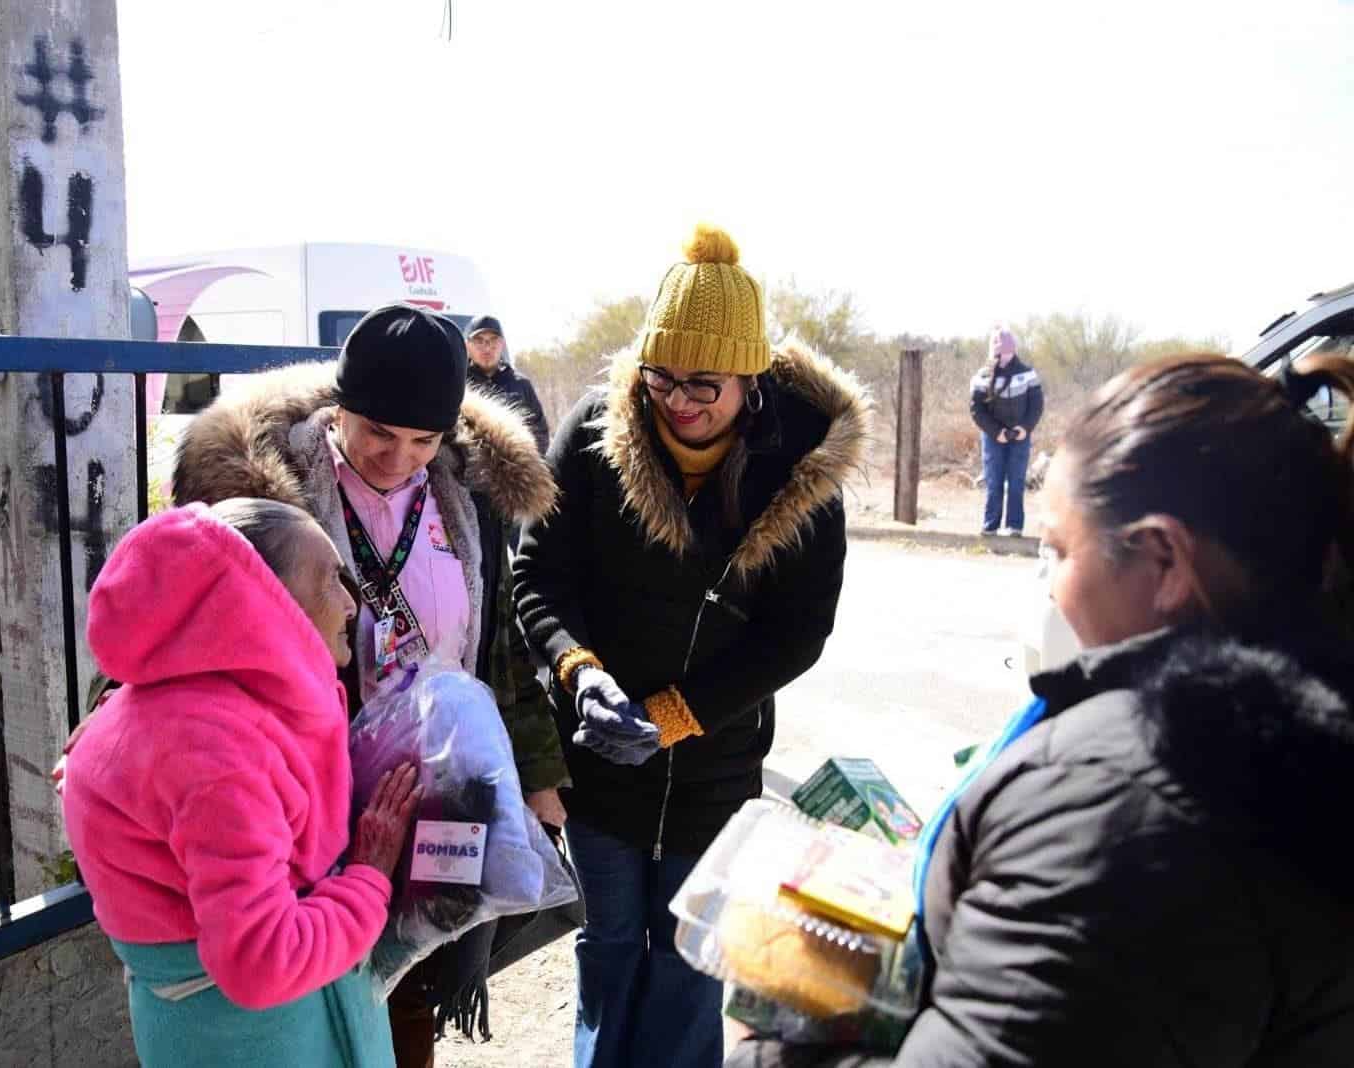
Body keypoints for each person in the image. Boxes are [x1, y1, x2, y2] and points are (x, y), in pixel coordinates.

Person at [728, 352, 1354, 1067]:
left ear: (1164, 562)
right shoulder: (1301, 726)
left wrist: (763, 1044)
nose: (1051, 589)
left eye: (1058, 551)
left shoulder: (1119, 807)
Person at [512, 224, 870, 1068]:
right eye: (661, 377)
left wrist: (675, 717)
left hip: (714, 769)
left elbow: (797, 635)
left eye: (703, 383)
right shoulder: (596, 435)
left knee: (687, 957)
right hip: (600, 765)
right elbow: (540, 578)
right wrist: (579, 671)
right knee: (607, 950)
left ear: (750, 376)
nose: (679, 399)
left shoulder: (802, 471)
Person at [172, 303, 563, 1068]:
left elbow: (497, 646)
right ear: (338, 409)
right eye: (379, 433)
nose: (399, 458)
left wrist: (540, 774)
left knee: (411, 983)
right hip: (307, 788)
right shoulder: (261, 495)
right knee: (316, 988)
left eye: (424, 440)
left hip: (434, 782)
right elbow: (179, 614)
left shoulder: (467, 493)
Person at [61, 498, 423, 1068]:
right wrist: (370, 877)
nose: (351, 604)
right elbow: (263, 962)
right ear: (262, 600)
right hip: (268, 1042)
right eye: (331, 579)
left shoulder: (175, 707)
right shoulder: (217, 756)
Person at [969, 326, 1044, 535]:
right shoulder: (981, 376)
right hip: (993, 437)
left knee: (1016, 482)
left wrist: (1025, 428)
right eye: (1000, 352)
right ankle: (990, 526)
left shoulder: (1028, 374)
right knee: (994, 482)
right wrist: (996, 432)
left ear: (1015, 350)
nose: (1005, 356)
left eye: (1009, 351)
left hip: (1020, 436)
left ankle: (1014, 526)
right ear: (993, 352)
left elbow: (1036, 405)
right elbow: (976, 409)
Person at [465, 314, 550, 454]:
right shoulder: (459, 384)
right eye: (479, 341)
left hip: (514, 468)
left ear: (502, 344)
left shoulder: (521, 384)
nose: (487, 348)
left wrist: (528, 463)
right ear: (468, 345)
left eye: (493, 340)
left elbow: (540, 432)